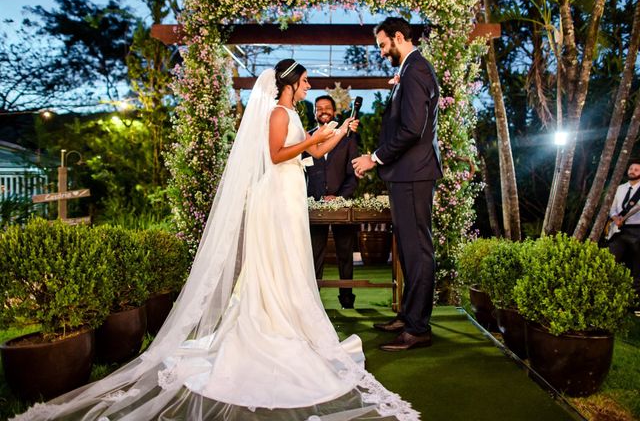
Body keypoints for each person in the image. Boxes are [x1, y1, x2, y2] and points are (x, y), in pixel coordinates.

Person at [15, 60, 419, 421]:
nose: (310, 85)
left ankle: (290, 319)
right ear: (291, 83)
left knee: (291, 263)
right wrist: (314, 139)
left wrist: (339, 132)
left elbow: (311, 154)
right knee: (278, 262)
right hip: (275, 199)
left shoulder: (293, 112)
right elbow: (278, 155)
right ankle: (271, 323)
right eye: (306, 80)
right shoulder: (278, 112)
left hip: (290, 197)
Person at [352, 17, 442, 352]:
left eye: (382, 44)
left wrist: (373, 158)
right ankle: (408, 315)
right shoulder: (408, 72)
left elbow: (411, 129)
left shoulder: (416, 70)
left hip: (414, 174)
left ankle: (418, 328)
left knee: (418, 250)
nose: (381, 52)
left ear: (399, 36)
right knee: (407, 249)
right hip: (406, 174)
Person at [304, 94, 359, 309]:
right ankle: (313, 300)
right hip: (313, 205)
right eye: (319, 108)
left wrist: (339, 197)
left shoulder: (347, 138)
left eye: (327, 107)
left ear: (334, 112)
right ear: (315, 112)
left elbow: (353, 173)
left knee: (345, 253)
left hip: (341, 205)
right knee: (314, 253)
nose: (323, 111)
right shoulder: (307, 138)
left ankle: (347, 299)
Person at [607, 159, 640, 308]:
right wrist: (615, 218)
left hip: (637, 231)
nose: (632, 171)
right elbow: (612, 208)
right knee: (609, 261)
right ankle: (607, 294)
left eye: (636, 169)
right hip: (618, 231)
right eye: (631, 168)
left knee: (637, 266)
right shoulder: (620, 188)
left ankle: (633, 301)